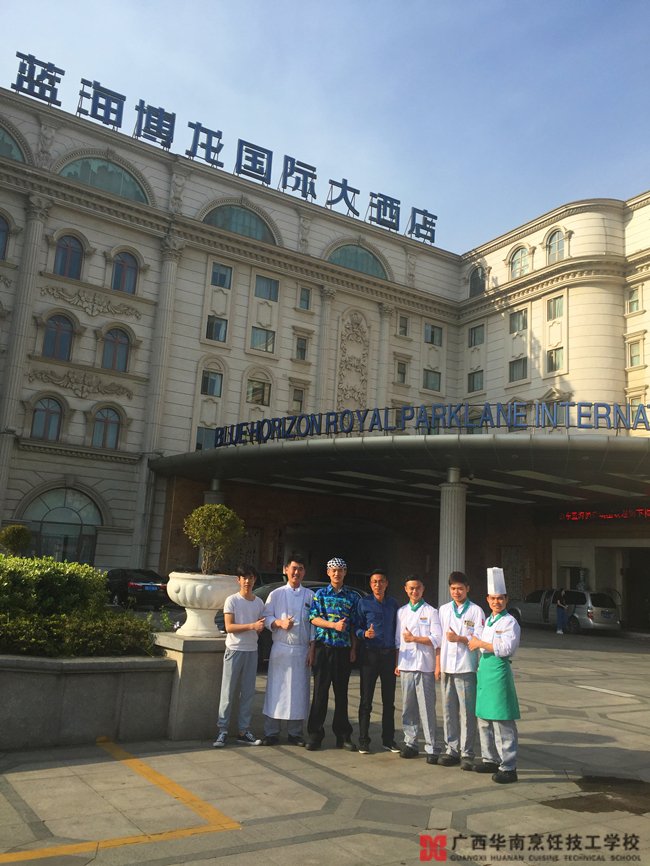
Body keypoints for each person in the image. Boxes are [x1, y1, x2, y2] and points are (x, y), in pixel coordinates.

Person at [468, 567, 521, 784]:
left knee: (501, 720)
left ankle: (508, 766)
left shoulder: (510, 622)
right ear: (487, 600)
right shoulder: (488, 621)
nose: (496, 602)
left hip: (498, 672)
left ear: (506, 599)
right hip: (485, 671)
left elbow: (506, 648)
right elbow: (475, 641)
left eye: (500, 598)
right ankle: (489, 758)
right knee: (483, 718)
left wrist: (480, 643)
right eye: (493, 598)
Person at [305, 556, 360, 751]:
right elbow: (313, 618)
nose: (337, 574)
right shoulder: (320, 594)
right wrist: (333, 625)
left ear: (345, 572)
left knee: (341, 694)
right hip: (324, 648)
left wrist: (353, 649)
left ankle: (343, 736)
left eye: (340, 570)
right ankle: (315, 735)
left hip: (343, 650)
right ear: (328, 572)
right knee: (320, 693)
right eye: (333, 570)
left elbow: (354, 625)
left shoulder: (352, 597)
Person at [261, 554, 315, 746]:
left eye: (300, 569)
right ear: (285, 569)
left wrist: (312, 649)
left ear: (304, 572)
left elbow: (314, 624)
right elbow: (266, 617)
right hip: (281, 650)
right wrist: (279, 623)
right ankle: (271, 732)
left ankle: (295, 733)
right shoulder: (276, 594)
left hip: (301, 650)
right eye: (293, 568)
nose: (296, 572)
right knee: (276, 690)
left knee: (298, 693)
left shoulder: (310, 596)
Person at [213, 564, 265, 748]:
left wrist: (258, 627)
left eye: (250, 577)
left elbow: (261, 624)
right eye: (244, 578)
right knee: (228, 692)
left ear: (254, 580)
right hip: (234, 650)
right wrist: (252, 626)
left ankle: (244, 731)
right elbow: (229, 627)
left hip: (252, 650)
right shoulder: (232, 600)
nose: (247, 581)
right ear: (238, 580)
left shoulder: (259, 603)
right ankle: (222, 731)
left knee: (248, 693)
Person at [437, 571, 485, 771]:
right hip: (447, 667)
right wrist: (438, 665)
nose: (456, 592)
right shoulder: (443, 610)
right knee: (448, 711)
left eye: (460, 588)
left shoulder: (476, 611)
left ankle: (467, 753)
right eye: (453, 588)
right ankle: (451, 749)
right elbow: (439, 639)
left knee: (467, 713)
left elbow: (479, 639)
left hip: (466, 667)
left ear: (467, 589)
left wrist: (460, 639)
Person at [395, 575, 443, 763]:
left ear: (423, 589)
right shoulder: (401, 612)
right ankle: (411, 743)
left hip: (424, 666)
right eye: (411, 588)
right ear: (406, 589)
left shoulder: (431, 612)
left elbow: (437, 639)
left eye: (418, 588)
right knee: (408, 708)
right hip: (406, 665)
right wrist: (397, 663)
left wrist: (414, 639)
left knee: (426, 708)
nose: (414, 591)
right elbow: (398, 641)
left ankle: (432, 747)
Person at [355, 570, 400, 754]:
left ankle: (388, 740)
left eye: (381, 581)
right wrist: (364, 633)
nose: (377, 585)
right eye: (374, 582)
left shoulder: (393, 604)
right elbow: (356, 626)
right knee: (366, 700)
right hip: (370, 655)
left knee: (389, 701)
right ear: (370, 584)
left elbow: (398, 629)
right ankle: (363, 740)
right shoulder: (363, 603)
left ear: (386, 583)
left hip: (388, 656)